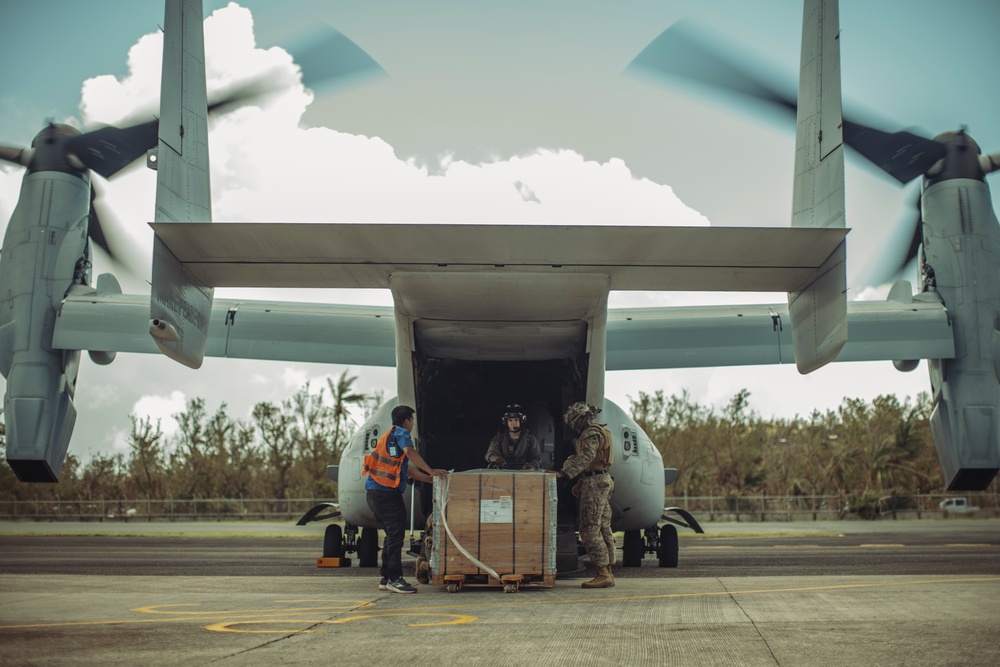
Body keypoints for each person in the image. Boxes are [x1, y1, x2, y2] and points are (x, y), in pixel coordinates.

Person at [364, 405, 447, 593]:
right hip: (386, 494)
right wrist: (431, 470)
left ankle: (386, 577)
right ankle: (395, 578)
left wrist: (430, 479)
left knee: (391, 536)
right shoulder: (401, 434)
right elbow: (410, 452)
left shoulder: (389, 436)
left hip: (376, 494)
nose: (412, 424)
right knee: (396, 536)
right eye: (412, 421)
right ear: (407, 421)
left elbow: (407, 468)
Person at [550, 402, 616, 588]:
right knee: (603, 527)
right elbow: (594, 462)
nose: (573, 427)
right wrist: (581, 481)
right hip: (600, 479)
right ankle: (608, 571)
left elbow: (586, 457)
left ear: (580, 419)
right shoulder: (599, 431)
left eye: (574, 422)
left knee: (588, 528)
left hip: (595, 484)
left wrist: (565, 473)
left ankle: (603, 572)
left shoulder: (590, 434)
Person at [485, 404, 542, 470]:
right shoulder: (499, 439)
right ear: (506, 422)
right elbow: (489, 454)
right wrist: (495, 459)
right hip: (503, 474)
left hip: (524, 474)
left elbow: (537, 459)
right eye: (510, 420)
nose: (513, 423)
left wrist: (532, 466)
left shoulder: (530, 440)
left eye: (516, 420)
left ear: (522, 420)